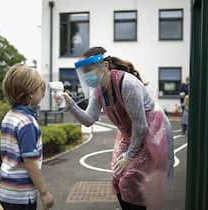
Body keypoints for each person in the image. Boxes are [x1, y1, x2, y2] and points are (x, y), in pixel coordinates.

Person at [55, 47, 174, 210]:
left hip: (152, 131)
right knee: (117, 178)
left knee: (130, 180)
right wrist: (70, 105)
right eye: (84, 72)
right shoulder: (97, 90)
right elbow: (89, 119)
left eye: (89, 70)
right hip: (129, 133)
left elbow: (141, 126)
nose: (87, 76)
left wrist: (128, 156)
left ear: (104, 65)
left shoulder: (127, 84)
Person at [0, 64, 54, 210]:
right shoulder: (27, 123)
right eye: (40, 89)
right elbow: (30, 162)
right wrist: (44, 192)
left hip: (6, 191)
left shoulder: (9, 116)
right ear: (30, 93)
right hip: (22, 196)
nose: (42, 93)